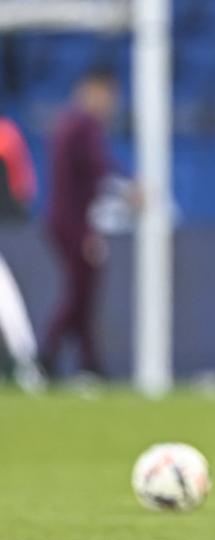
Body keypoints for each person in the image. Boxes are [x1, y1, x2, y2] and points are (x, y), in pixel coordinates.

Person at [40, 67, 121, 378]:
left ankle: (89, 362)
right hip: (75, 222)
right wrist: (129, 190)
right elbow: (99, 170)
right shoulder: (84, 125)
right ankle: (47, 354)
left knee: (82, 290)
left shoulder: (65, 124)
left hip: (64, 219)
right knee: (81, 292)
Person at [0, 115, 45, 392]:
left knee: (6, 300)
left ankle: (24, 362)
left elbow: (20, 192)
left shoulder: (5, 135)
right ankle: (25, 363)